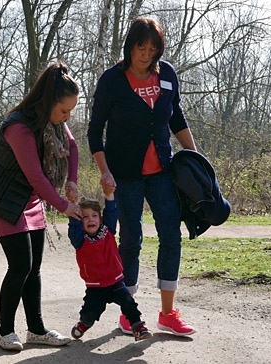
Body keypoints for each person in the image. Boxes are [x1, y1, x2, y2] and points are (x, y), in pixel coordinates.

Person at [87, 16, 197, 336]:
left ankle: (167, 313)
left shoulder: (167, 76)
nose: (146, 54)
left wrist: (194, 157)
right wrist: (104, 170)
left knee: (171, 237)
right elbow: (95, 131)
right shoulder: (112, 80)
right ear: (130, 45)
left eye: (153, 49)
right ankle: (129, 313)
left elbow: (176, 116)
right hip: (125, 175)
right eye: (141, 47)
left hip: (162, 172)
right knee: (131, 239)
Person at [0, 60, 83, 351]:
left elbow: (73, 147)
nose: (67, 116)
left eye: (71, 111)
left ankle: (36, 330)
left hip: (30, 195)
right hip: (4, 197)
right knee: (20, 265)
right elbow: (35, 176)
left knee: (34, 267)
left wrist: (71, 181)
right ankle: (5, 332)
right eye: (64, 110)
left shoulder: (54, 123)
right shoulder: (18, 128)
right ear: (48, 102)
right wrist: (63, 205)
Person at [67, 194, 152, 341]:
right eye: (85, 217)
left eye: (94, 216)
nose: (91, 219)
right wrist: (72, 204)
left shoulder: (108, 231)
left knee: (129, 303)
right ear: (80, 221)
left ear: (100, 219)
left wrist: (110, 195)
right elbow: (74, 224)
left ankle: (138, 327)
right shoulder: (79, 239)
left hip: (116, 282)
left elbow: (111, 212)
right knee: (90, 312)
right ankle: (84, 323)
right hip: (95, 287)